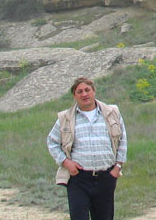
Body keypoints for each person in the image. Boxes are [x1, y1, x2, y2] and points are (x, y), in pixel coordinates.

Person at [47, 77, 127, 220]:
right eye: (79, 92)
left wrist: (117, 168)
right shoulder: (65, 118)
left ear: (94, 91)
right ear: (74, 96)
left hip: (106, 177)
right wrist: (66, 163)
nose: (84, 94)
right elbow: (52, 142)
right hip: (78, 178)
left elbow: (122, 141)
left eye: (87, 90)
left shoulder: (111, 112)